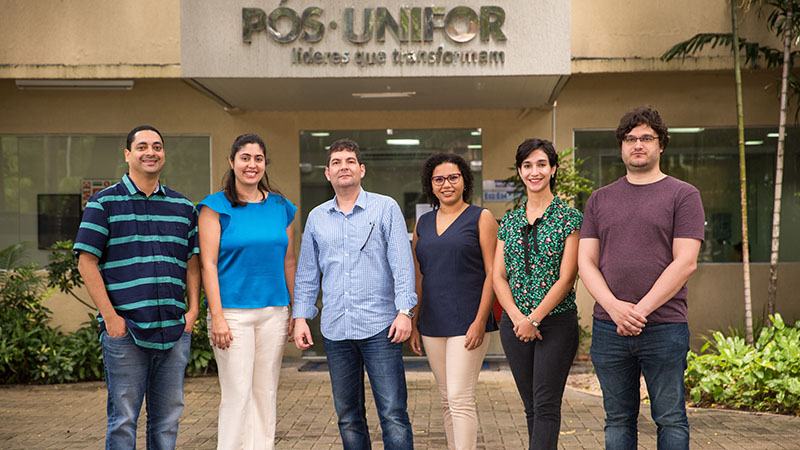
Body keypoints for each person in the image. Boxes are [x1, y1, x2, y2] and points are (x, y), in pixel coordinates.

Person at [578, 106, 704, 450]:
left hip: (664, 326)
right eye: (630, 139)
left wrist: (638, 311)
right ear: (621, 145)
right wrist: (615, 309)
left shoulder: (683, 195)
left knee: (671, 418)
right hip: (609, 327)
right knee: (617, 421)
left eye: (646, 138)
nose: (638, 145)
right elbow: (586, 262)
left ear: (661, 145)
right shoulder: (600, 199)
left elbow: (686, 262)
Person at [74, 125, 200, 449]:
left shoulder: (184, 207)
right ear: (128, 154)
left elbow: (193, 262)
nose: (151, 152)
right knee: (123, 421)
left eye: (157, 146)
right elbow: (86, 263)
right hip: (125, 332)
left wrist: (193, 311)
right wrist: (111, 319)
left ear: (164, 154)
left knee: (167, 421)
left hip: (173, 331)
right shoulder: (103, 204)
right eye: (142, 146)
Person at [293, 138, 417, 450]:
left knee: (393, 413)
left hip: (382, 328)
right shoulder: (317, 218)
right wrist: (300, 317)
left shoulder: (385, 207)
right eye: (336, 162)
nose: (343, 167)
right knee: (348, 416)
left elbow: (402, 265)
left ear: (361, 169)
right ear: (327, 173)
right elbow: (307, 272)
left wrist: (405, 312)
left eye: (349, 161)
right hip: (336, 329)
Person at [197, 134, 297, 450]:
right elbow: (207, 265)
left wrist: (297, 309)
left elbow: (289, 262)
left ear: (264, 163)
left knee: (265, 392)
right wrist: (217, 317)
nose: (251, 165)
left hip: (274, 312)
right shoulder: (214, 207)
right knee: (237, 393)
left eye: (257, 158)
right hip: (232, 314)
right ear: (232, 162)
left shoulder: (281, 207)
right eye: (245, 158)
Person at [493, 139, 582, 450]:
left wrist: (534, 318)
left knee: (545, 404)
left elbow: (567, 277)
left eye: (541, 164)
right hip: (514, 325)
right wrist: (518, 318)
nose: (535, 171)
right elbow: (498, 277)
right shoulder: (510, 221)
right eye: (528, 165)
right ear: (520, 171)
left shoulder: (570, 219)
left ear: (553, 169)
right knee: (531, 405)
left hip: (556, 323)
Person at [409, 153, 498, 450]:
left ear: (464, 181)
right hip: (433, 320)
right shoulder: (423, 223)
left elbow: (493, 275)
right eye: (439, 179)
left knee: (460, 398)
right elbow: (419, 276)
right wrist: (414, 322)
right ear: (430, 185)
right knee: (447, 399)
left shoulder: (481, 217)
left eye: (453, 178)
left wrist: (480, 321)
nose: (446, 184)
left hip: (468, 320)